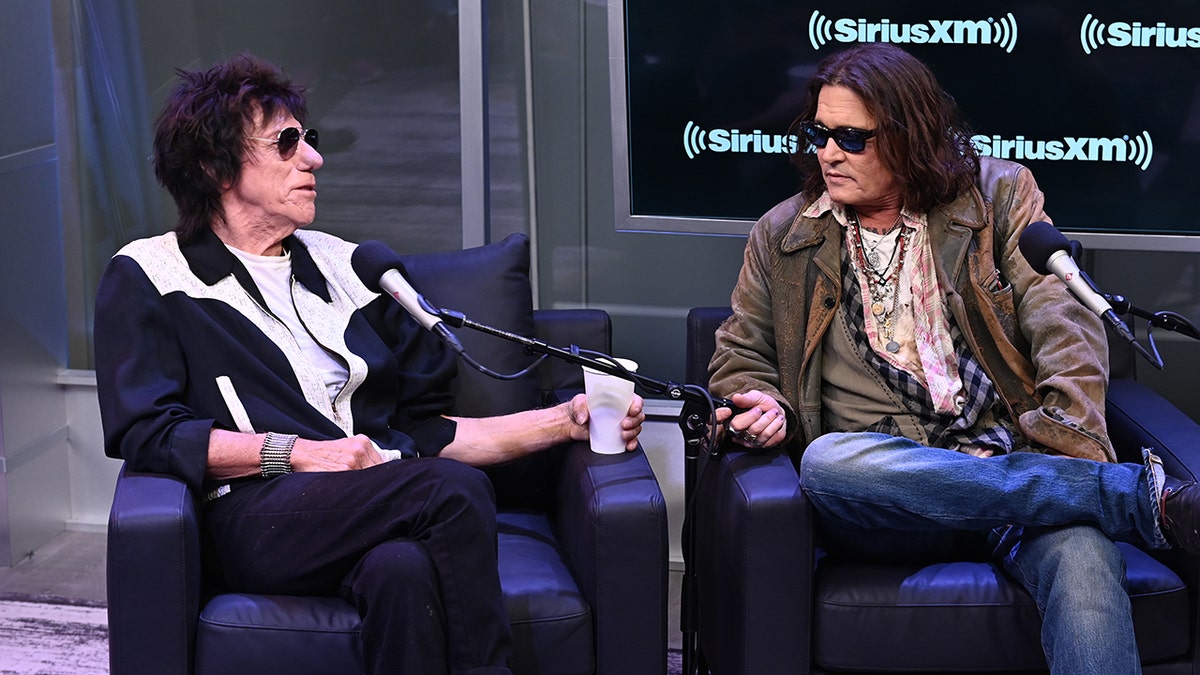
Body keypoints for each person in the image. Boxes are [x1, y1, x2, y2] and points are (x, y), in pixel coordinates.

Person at [93, 54, 645, 675]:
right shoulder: (151, 275)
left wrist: (562, 422)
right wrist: (297, 453)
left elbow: (428, 435)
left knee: (401, 571)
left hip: (366, 501)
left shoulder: (348, 269)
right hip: (255, 514)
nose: (314, 159)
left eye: (310, 139)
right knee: (451, 490)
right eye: (287, 143)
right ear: (214, 167)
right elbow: (146, 432)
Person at [709, 43, 1200, 674]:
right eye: (820, 134)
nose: (828, 154)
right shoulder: (785, 235)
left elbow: (1065, 325)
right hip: (888, 498)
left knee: (1080, 552)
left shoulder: (998, 198)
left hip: (1015, 468)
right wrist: (763, 404)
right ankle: (1138, 498)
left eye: (852, 139)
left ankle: (1085, 494)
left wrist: (1064, 442)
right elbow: (740, 356)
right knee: (829, 462)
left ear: (911, 136)